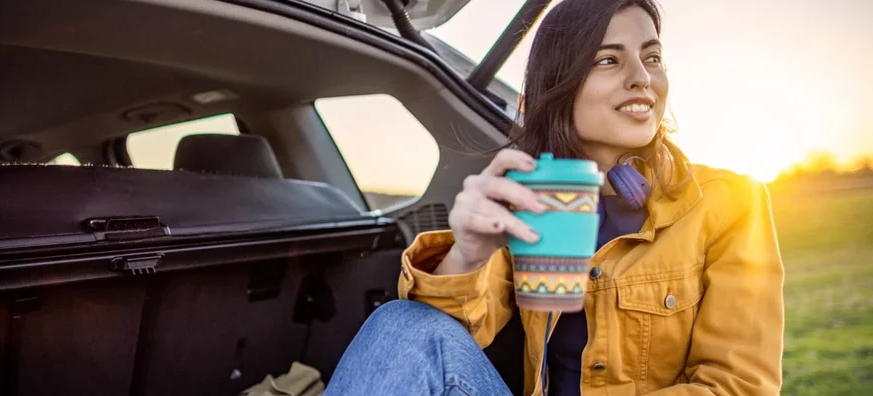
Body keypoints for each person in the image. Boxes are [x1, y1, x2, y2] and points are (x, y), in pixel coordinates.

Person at [324, 0, 785, 395]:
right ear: (559, 83)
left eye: (653, 58)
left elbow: (738, 386)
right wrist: (464, 255)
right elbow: (442, 342)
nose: (642, 78)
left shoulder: (728, 202)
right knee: (400, 324)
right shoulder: (532, 199)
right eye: (609, 60)